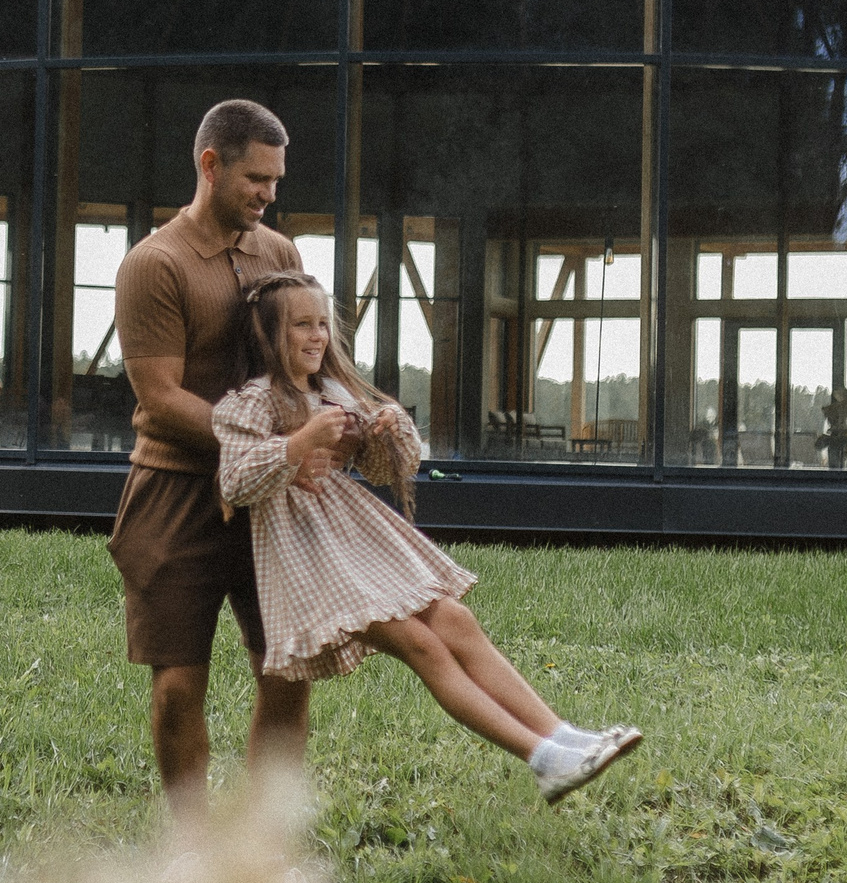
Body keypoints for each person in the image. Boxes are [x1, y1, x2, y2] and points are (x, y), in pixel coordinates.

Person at [213, 270, 641, 804]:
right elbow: (235, 480)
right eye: (302, 325)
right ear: (268, 334)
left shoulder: (334, 391)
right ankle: (545, 760)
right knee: (421, 644)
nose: (318, 335)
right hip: (310, 560)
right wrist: (299, 443)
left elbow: (383, 470)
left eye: (323, 323)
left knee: (456, 620)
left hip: (356, 543)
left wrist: (390, 432)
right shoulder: (253, 401)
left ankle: (564, 736)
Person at [109, 99, 316, 821]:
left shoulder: (280, 254)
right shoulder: (152, 264)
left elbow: (304, 359)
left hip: (267, 496)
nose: (269, 193)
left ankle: (260, 853)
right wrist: (268, 447)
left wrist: (346, 411)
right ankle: (192, 851)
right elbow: (162, 397)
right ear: (210, 165)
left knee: (288, 673)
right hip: (175, 491)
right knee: (176, 688)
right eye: (256, 178)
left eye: (276, 181)